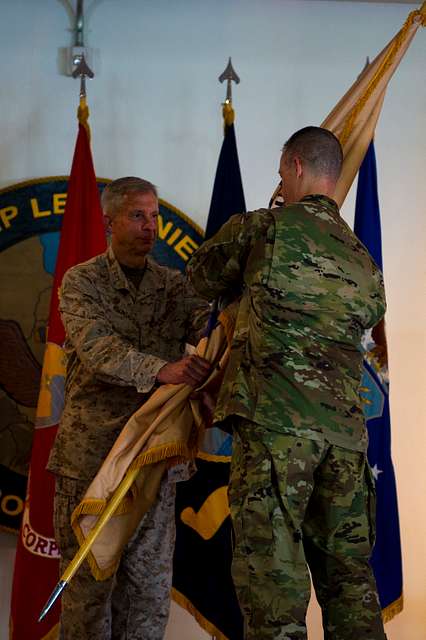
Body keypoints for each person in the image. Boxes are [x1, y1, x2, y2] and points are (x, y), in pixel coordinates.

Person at [187, 127, 387, 640]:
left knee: (274, 592)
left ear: (295, 167)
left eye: (281, 173)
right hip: (345, 445)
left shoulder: (264, 230)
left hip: (276, 432)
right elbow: (370, 319)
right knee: (350, 586)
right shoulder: (364, 261)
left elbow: (200, 277)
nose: (279, 183)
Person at [47, 176, 211, 640]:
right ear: (109, 221)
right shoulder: (81, 282)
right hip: (93, 459)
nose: (150, 226)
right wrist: (166, 369)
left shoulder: (175, 288)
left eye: (155, 216)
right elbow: (99, 350)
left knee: (148, 593)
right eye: (138, 215)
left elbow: (214, 328)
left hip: (150, 461)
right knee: (88, 593)